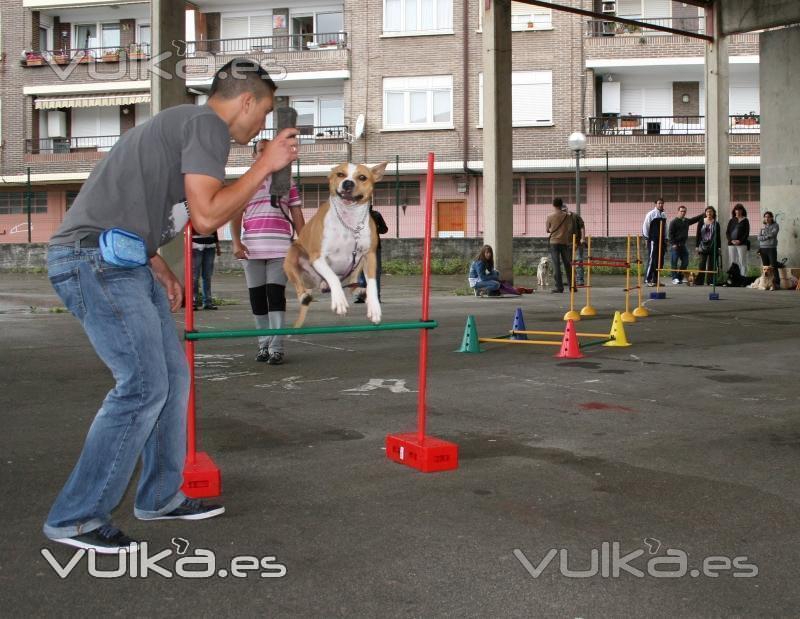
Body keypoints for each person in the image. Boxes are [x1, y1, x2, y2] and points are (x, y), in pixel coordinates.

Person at [43, 58, 299, 553]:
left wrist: (154, 262)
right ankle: (75, 517)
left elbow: (132, 202)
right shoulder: (207, 125)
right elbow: (205, 217)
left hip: (120, 258)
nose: (263, 125)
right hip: (94, 261)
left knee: (172, 378)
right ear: (245, 101)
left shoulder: (181, 127)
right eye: (263, 112)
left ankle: (159, 496)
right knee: (142, 385)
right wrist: (265, 166)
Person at [231, 139, 305, 365]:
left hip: (280, 248)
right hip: (252, 248)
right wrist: (236, 243)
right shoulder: (246, 181)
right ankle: (263, 344)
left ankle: (276, 347)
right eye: (261, 151)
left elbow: (297, 214)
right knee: (257, 299)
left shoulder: (287, 181)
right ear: (254, 156)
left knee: (275, 296)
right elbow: (235, 214)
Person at [353, 205, 389, 304]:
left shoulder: (376, 215)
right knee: (360, 273)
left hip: (374, 248)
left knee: (375, 273)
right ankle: (362, 296)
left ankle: (375, 297)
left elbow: (385, 229)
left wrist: (375, 228)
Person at [467, 245, 532, 297]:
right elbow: (483, 278)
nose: (488, 254)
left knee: (496, 273)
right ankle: (480, 290)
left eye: (490, 253)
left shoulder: (487, 260)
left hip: (480, 279)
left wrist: (495, 273)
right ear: (483, 253)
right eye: (487, 253)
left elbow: (490, 270)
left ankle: (490, 290)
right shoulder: (480, 262)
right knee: (496, 284)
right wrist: (494, 277)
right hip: (475, 282)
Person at [667, 205, 703, 284]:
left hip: (683, 245)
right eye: (681, 211)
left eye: (684, 211)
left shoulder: (686, 221)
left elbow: (694, 219)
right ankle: (674, 278)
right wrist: (673, 244)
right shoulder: (674, 222)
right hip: (675, 246)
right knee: (674, 262)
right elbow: (670, 234)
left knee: (685, 262)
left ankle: (679, 277)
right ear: (678, 211)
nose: (683, 213)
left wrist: (704, 214)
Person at [546, 198, 573, 293]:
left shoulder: (550, 216)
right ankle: (572, 286)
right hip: (564, 242)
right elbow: (570, 228)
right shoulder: (567, 216)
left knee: (556, 264)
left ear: (553, 205)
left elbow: (547, 230)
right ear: (562, 205)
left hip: (554, 242)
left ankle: (559, 287)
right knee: (567, 264)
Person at [192, 229, 221, 309]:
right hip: (195, 245)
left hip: (210, 246)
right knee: (194, 276)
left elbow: (214, 230)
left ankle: (207, 302)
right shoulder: (192, 216)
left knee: (207, 276)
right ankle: (194, 301)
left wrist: (218, 246)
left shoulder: (211, 216)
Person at [642, 198, 667, 286]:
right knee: (652, 259)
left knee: (660, 260)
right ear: (655, 204)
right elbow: (645, 226)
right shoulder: (651, 214)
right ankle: (647, 280)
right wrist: (646, 238)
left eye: (662, 203)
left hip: (662, 240)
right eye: (659, 203)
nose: (661, 205)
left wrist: (666, 238)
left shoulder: (663, 215)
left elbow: (665, 228)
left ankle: (655, 280)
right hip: (653, 240)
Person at [695, 206, 722, 286]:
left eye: (711, 211)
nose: (709, 213)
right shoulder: (701, 221)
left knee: (712, 264)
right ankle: (699, 281)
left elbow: (718, 236)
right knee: (702, 264)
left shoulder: (716, 223)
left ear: (713, 213)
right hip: (702, 245)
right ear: (705, 213)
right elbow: (698, 235)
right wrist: (697, 246)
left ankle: (710, 281)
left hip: (713, 245)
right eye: (707, 212)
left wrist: (719, 247)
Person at [757, 210, 780, 290]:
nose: (767, 218)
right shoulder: (762, 226)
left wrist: (765, 237)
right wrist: (766, 237)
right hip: (763, 249)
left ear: (771, 218)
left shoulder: (775, 225)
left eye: (768, 217)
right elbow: (758, 237)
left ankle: (776, 284)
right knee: (765, 267)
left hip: (771, 248)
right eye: (765, 217)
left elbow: (773, 234)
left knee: (773, 266)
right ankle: (765, 284)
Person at [726, 203, 750, 276]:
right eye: (736, 210)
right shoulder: (731, 220)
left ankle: (743, 277)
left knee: (742, 261)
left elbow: (746, 233)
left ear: (742, 211)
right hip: (731, 244)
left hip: (742, 244)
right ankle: (734, 277)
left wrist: (740, 241)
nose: (738, 211)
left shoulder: (745, 220)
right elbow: (727, 232)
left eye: (740, 210)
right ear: (734, 211)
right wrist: (731, 240)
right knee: (732, 261)